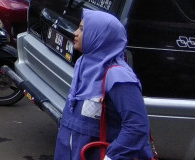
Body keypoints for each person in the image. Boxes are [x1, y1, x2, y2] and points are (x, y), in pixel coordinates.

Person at [54, 10, 155, 160]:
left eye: (82, 29)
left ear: (99, 36)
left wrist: (112, 157)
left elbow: (137, 127)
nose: (75, 33)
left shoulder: (117, 75)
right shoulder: (83, 64)